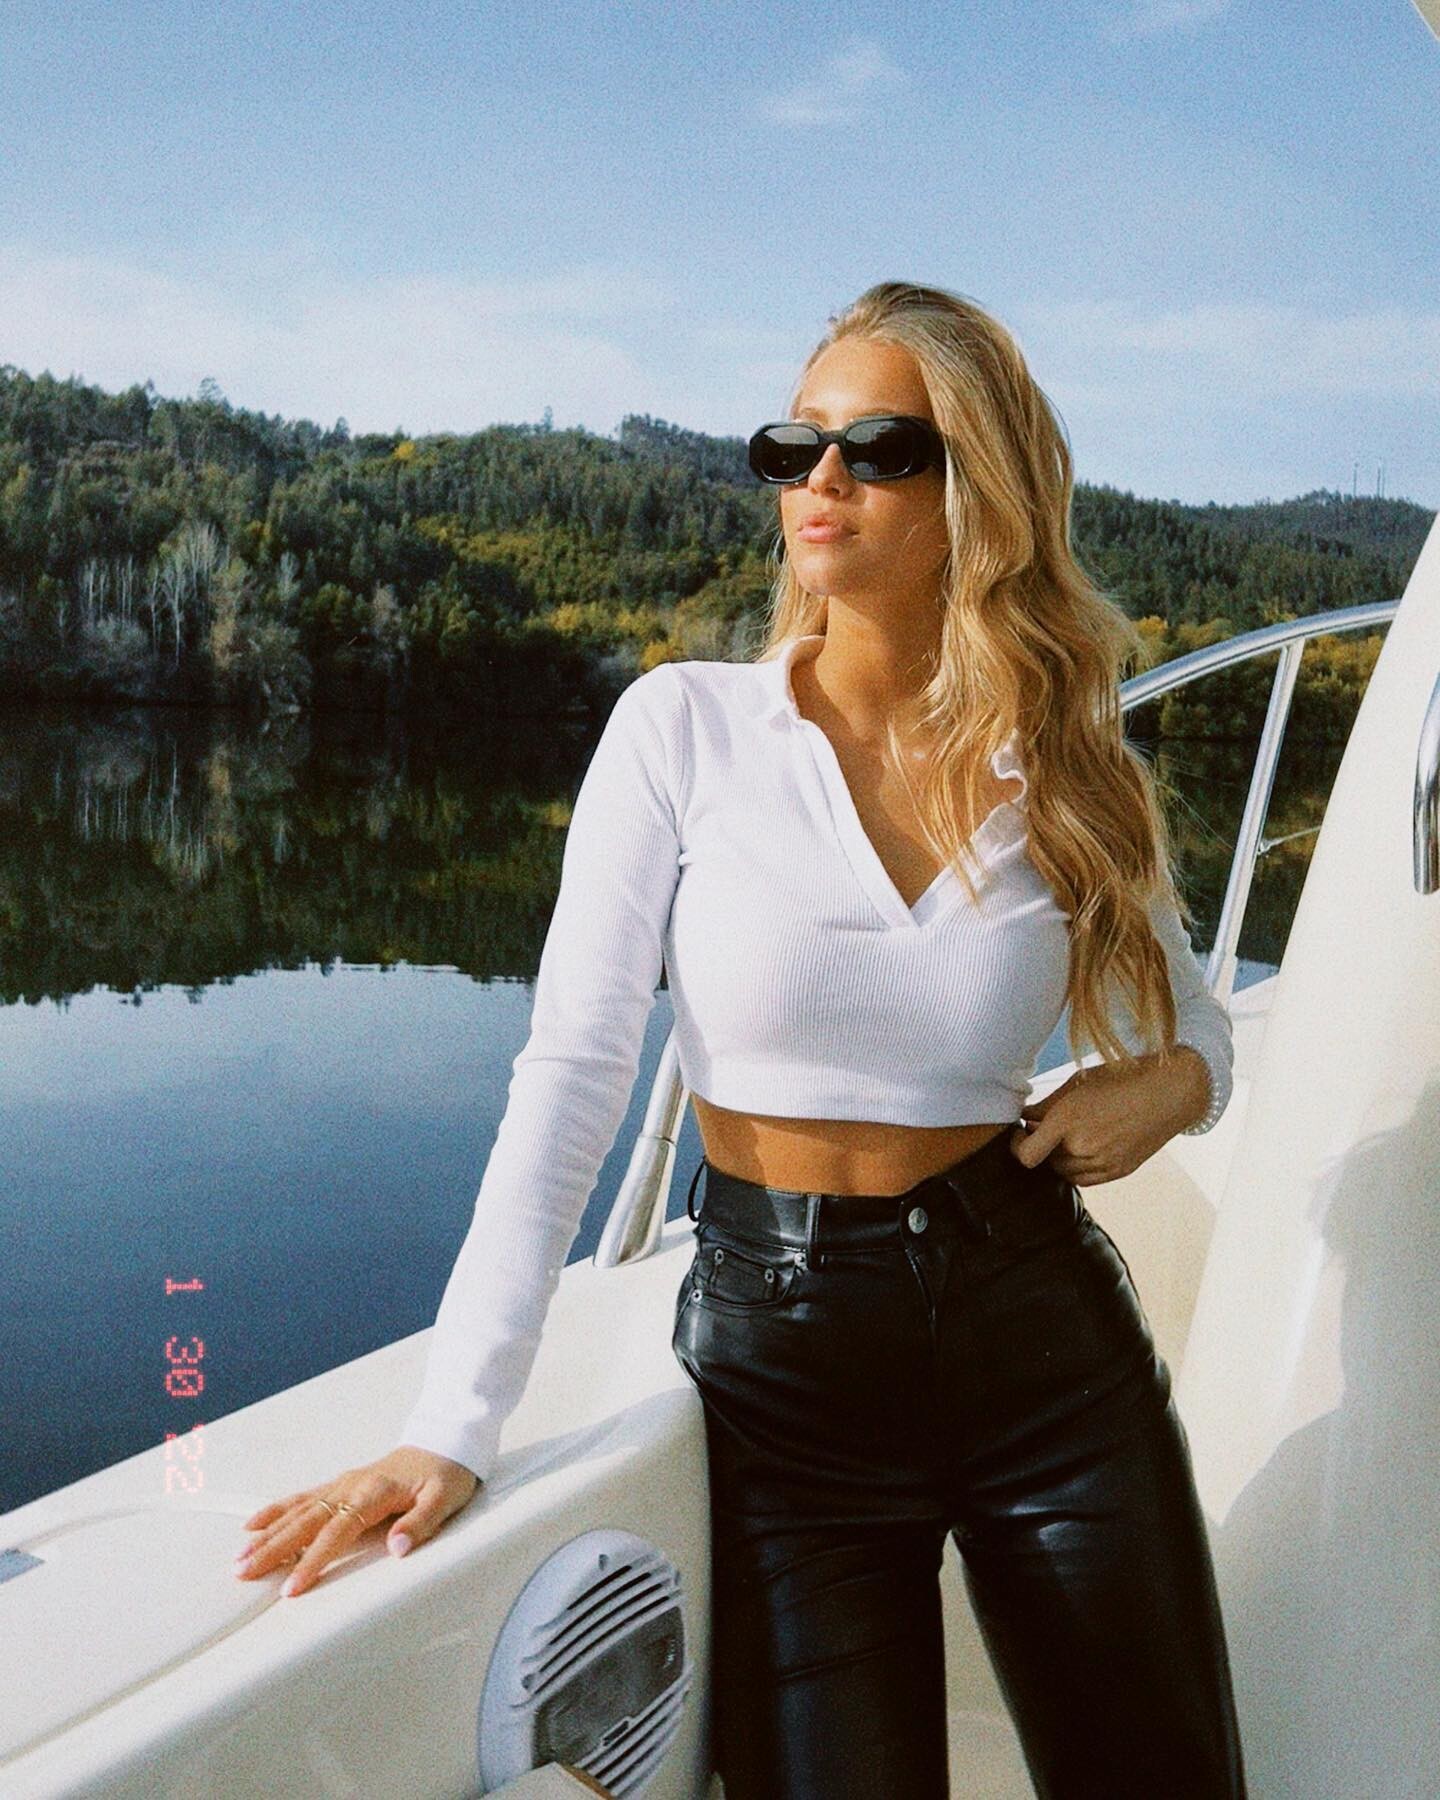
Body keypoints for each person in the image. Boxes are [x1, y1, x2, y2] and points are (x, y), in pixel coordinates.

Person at [233, 281, 1247, 1798]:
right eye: (794, 445)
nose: (819, 479)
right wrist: (453, 1424)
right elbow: (572, 1075)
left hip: (1045, 1350)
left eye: (878, 448)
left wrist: (1170, 1084)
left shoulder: (1063, 763)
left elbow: (1200, 1023)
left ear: (977, 489)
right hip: (788, 1385)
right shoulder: (684, 729)